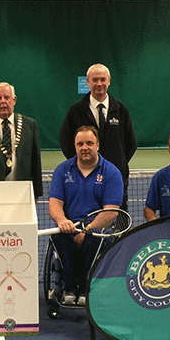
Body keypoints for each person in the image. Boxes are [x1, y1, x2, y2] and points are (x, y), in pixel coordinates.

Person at [49, 126, 123, 306]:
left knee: (93, 240)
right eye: (80, 144)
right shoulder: (62, 170)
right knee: (58, 237)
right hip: (70, 227)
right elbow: (55, 204)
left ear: (97, 145)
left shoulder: (112, 172)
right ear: (75, 147)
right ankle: (69, 288)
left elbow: (111, 211)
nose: (85, 147)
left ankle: (84, 288)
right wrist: (62, 221)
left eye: (89, 143)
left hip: (96, 229)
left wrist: (88, 229)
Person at [59, 64, 136, 209]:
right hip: (83, 178)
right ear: (87, 82)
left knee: (117, 223)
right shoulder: (75, 111)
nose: (99, 84)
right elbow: (66, 142)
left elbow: (131, 144)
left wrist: (116, 163)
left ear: (109, 81)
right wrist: (81, 163)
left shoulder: (122, 110)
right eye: (94, 80)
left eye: (103, 79)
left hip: (116, 178)